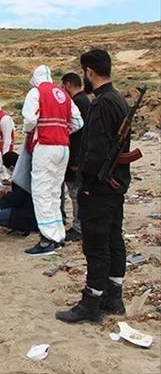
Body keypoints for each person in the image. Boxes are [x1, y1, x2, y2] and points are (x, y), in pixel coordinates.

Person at [56, 50, 131, 324]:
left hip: (99, 187)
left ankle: (91, 302)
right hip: (115, 185)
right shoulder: (118, 99)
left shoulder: (102, 103)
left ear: (89, 72)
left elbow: (96, 151)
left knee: (97, 245)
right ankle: (113, 296)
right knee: (113, 239)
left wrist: (85, 184)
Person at [22, 65, 84, 256]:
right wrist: (62, 130)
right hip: (63, 147)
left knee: (42, 192)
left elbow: (29, 119)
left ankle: (47, 239)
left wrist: (31, 131)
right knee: (55, 192)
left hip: (45, 145)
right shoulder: (63, 94)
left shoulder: (36, 92)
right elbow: (78, 122)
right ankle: (58, 234)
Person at [60, 72, 91, 242]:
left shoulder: (77, 103)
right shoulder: (85, 100)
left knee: (75, 193)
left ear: (68, 85)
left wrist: (75, 159)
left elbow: (78, 134)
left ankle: (79, 227)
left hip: (76, 156)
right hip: (81, 154)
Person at [0, 152, 39, 235]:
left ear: (12, 167)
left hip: (27, 211)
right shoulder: (26, 170)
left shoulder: (18, 178)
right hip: (31, 205)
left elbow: (17, 200)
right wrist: (11, 184)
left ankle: (23, 226)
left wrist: (6, 193)